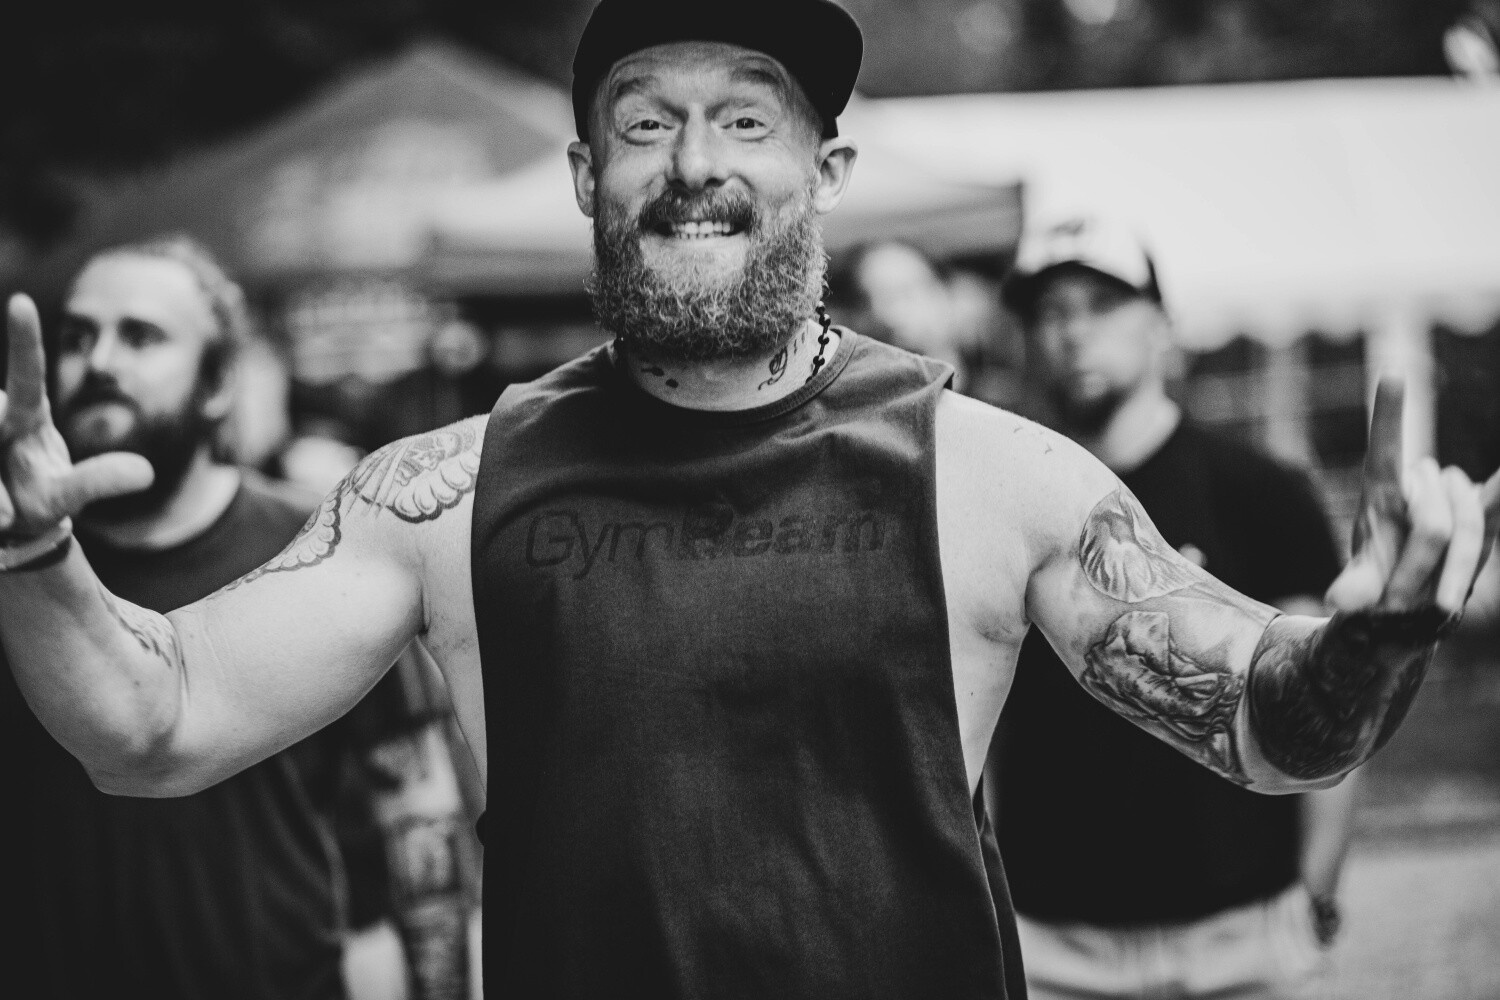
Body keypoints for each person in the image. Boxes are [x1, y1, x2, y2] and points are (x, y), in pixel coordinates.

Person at [1, 3, 1497, 997]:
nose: (695, 165)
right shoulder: (445, 493)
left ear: (825, 166)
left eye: (747, 120)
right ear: (585, 173)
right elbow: (153, 724)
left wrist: (1371, 638)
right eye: (648, 124)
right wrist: (35, 550)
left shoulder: (990, 472)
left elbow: (1267, 731)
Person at [0, 235, 474, 999]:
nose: (100, 362)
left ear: (219, 381)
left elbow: (418, 820)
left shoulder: (322, 545)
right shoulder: (17, 566)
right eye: (79, 337)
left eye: (141, 336)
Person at [989, 214, 1357, 999]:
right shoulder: (1007, 502)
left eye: (1102, 304)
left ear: (1163, 324)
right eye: (1051, 311)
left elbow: (1325, 704)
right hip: (1053, 945)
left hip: (1238, 937)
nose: (1074, 332)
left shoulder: (1261, 490)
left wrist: (1315, 891)